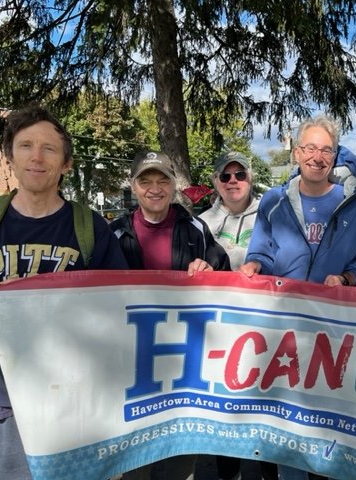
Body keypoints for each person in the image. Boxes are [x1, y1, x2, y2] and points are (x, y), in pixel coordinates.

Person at [0, 105, 128, 480]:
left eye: (49, 148)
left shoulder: (91, 228)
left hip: (72, 396)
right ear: (9, 158)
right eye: (26, 146)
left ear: (65, 163)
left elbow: (118, 311)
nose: (37, 157)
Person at [240, 115, 356, 479]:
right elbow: (262, 252)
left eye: (326, 149)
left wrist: (347, 277)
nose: (318, 156)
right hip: (284, 335)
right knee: (291, 433)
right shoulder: (272, 201)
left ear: (336, 156)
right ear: (297, 152)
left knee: (334, 433)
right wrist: (254, 264)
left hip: (335, 334)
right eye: (310, 148)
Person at [110, 150, 230, 480]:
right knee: (135, 464)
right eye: (146, 181)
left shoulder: (194, 227)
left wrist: (210, 267)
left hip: (184, 365)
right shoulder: (115, 233)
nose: (155, 188)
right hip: (133, 367)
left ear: (174, 184)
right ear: (134, 186)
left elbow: (223, 272)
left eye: (163, 180)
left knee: (181, 458)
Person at [200, 151, 277, 480]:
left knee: (265, 407)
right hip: (221, 330)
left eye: (240, 175)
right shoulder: (202, 222)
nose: (233, 182)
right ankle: (228, 471)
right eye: (225, 176)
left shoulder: (272, 215)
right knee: (225, 410)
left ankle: (268, 471)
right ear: (216, 181)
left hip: (265, 328)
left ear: (250, 178)